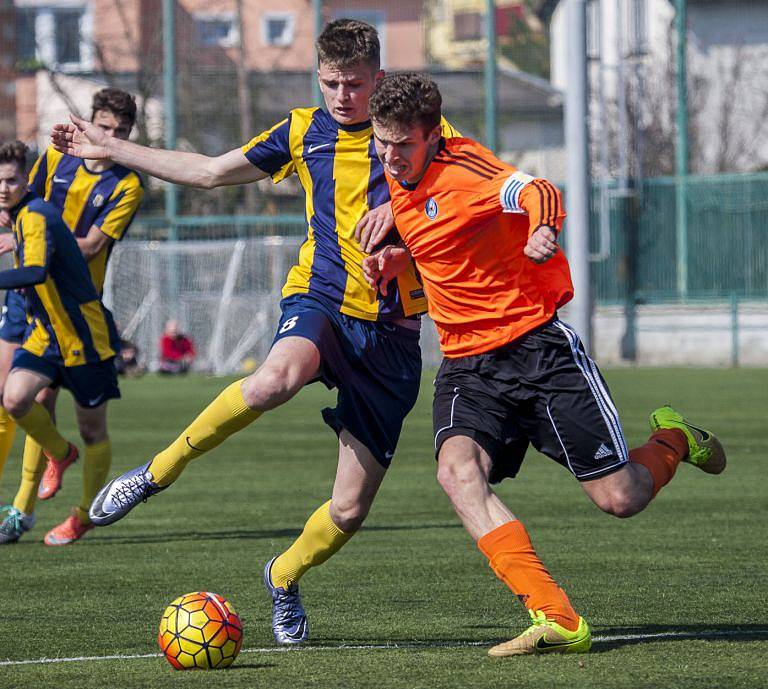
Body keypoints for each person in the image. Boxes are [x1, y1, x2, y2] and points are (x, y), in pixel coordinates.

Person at [51, 20, 459, 645]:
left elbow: (478, 203)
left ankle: (283, 576)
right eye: (331, 83)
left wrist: (419, 220)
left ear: (378, 78)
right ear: (316, 78)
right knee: (274, 380)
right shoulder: (304, 131)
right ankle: (156, 472)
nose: (342, 95)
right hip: (321, 298)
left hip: (395, 336)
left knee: (349, 510)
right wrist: (111, 151)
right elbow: (211, 171)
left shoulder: (431, 138)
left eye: (354, 83)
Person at [364, 73, 726, 657]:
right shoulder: (398, 172)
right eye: (382, 143)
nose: (389, 156)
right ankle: (554, 614)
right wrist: (398, 259)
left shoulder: (467, 168)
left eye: (402, 144)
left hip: (537, 352)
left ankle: (674, 439)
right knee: (457, 472)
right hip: (466, 365)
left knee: (621, 498)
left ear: (433, 136)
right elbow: (445, 235)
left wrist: (542, 229)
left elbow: (538, 190)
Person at [0, 88, 143, 546]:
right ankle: (21, 510)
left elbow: (92, 246)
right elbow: (19, 211)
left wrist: (31, 245)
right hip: (33, 299)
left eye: (121, 132)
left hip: (80, 311)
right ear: (89, 123)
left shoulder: (127, 184)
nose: (110, 137)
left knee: (86, 422)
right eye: (104, 127)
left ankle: (83, 512)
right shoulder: (55, 160)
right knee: (23, 400)